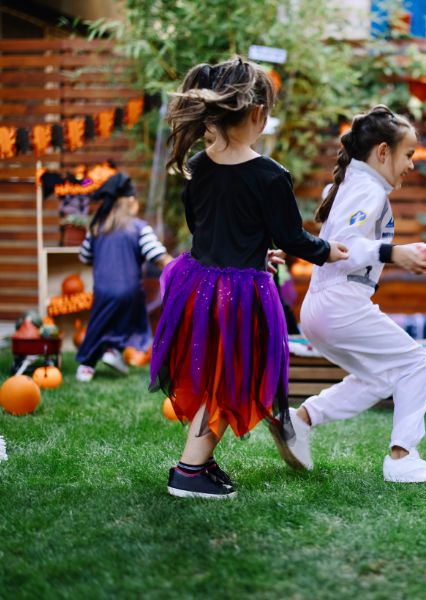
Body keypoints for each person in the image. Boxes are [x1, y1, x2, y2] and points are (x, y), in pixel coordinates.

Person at [149, 56, 348, 499]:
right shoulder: (270, 175)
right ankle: (189, 471)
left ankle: (198, 462)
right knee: (232, 378)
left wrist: (257, 251)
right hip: (239, 295)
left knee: (212, 376)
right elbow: (293, 237)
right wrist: (329, 250)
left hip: (197, 286)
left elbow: (203, 224)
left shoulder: (199, 164)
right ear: (258, 114)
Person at [278, 105, 426, 483]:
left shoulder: (350, 185)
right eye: (408, 155)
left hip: (322, 306)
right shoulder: (368, 189)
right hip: (340, 302)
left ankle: (302, 419)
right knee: (416, 363)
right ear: (381, 152)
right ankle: (403, 457)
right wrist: (395, 253)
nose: (411, 164)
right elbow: (343, 245)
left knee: (378, 379)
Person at [76, 172, 171, 382]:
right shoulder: (139, 228)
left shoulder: (96, 228)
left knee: (99, 324)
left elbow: (84, 257)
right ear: (129, 202)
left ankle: (87, 365)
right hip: (130, 291)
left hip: (102, 291)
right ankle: (109, 351)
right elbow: (156, 255)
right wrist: (178, 267)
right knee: (131, 319)